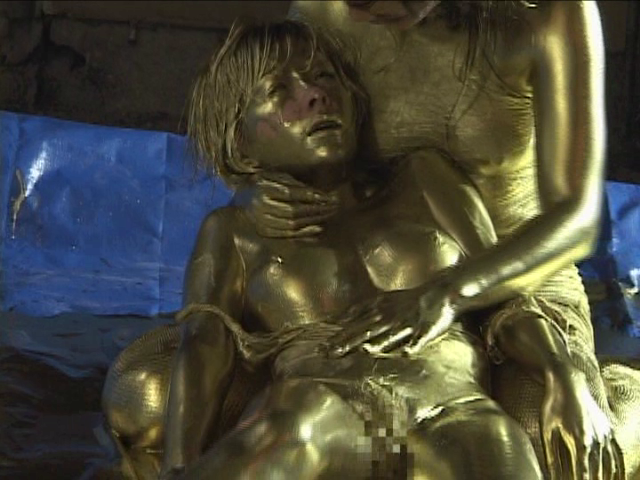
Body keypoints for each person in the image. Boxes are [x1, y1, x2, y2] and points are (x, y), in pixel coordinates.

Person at [103, 19, 551, 480]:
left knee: (500, 447)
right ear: (240, 141)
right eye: (279, 92)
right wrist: (180, 465)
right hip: (322, 411)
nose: (316, 95)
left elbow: (506, 297)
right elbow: (204, 345)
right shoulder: (236, 231)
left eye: (323, 77)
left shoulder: (424, 180)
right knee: (291, 425)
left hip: (454, 408)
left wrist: (562, 373)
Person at [229, 1, 640, 477]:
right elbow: (271, 128)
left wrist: (450, 291)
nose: (360, 12)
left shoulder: (550, 14)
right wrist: (254, 191)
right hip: (380, 271)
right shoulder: (324, 11)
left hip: (519, 272)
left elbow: (578, 218)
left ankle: (626, 404)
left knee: (551, 441)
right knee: (195, 412)